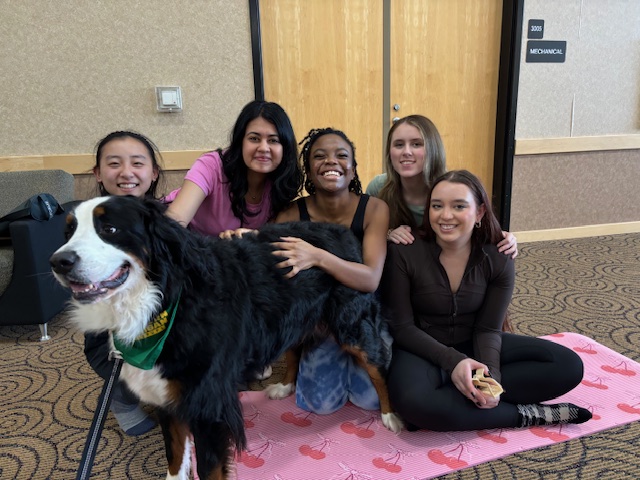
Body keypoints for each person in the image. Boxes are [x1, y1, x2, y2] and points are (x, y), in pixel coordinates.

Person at [380, 170, 591, 432]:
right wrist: (454, 362)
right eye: (437, 206)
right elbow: (402, 328)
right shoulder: (404, 251)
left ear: (479, 212)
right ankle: (525, 415)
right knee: (413, 402)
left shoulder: (499, 255)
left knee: (568, 366)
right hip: (422, 349)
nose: (445, 215)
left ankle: (452, 401)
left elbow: (488, 329)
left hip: (476, 343)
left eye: (459, 206)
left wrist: (489, 380)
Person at [165, 99, 303, 381]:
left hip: (232, 260)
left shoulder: (282, 185)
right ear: (240, 141)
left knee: (277, 268)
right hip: (192, 249)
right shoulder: (212, 165)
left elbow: (272, 240)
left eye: (273, 140)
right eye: (254, 138)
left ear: (284, 148)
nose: (263, 148)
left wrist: (255, 238)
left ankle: (250, 347)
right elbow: (174, 225)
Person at [271, 127, 390, 414]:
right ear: (310, 171)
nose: (331, 161)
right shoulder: (289, 215)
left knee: (370, 400)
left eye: (341, 155)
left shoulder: (375, 209)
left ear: (352, 169)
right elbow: (282, 288)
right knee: (319, 404)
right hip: (316, 320)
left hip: (363, 311)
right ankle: (292, 373)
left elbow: (370, 279)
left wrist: (317, 256)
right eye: (319, 156)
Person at [85, 130, 165, 435]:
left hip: (168, 326)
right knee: (128, 369)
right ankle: (123, 401)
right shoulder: (86, 227)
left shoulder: (170, 218)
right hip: (114, 337)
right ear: (98, 173)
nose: (127, 173)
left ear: (153, 173)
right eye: (114, 163)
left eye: (137, 163)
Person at [366, 115, 518, 258]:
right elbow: (363, 233)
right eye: (399, 145)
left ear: (433, 149)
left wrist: (505, 238)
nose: (406, 152)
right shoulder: (378, 187)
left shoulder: (453, 188)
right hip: (397, 266)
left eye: (416, 144)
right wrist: (387, 234)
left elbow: (478, 226)